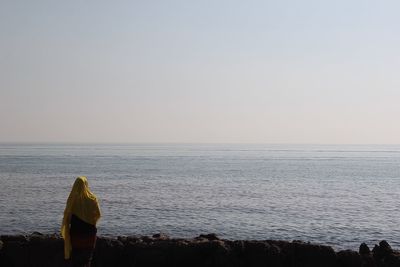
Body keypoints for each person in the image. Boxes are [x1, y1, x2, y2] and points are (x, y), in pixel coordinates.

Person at [61, 176, 101, 267]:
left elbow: (67, 216)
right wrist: (89, 220)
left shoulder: (72, 200)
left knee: (76, 259)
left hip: (76, 235)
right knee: (87, 259)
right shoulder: (93, 199)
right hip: (89, 234)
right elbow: (98, 215)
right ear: (86, 185)